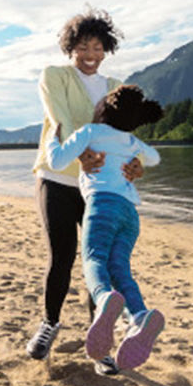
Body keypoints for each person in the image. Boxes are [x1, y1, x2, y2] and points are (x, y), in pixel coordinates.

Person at [25, 9, 143, 376]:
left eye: (97, 47)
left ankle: (100, 347)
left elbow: (125, 134)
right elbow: (61, 119)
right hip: (58, 179)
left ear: (106, 49)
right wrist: (84, 151)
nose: (90, 54)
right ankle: (49, 325)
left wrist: (135, 161)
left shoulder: (116, 87)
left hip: (99, 186)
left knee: (102, 262)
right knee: (62, 256)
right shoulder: (54, 76)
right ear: (70, 48)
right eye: (82, 46)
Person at [46, 85, 165, 371]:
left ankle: (103, 298)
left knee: (94, 259)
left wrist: (53, 138)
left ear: (104, 109)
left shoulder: (90, 132)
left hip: (101, 206)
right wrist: (138, 161)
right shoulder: (131, 141)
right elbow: (156, 157)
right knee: (120, 267)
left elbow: (56, 161)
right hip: (129, 213)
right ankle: (138, 316)